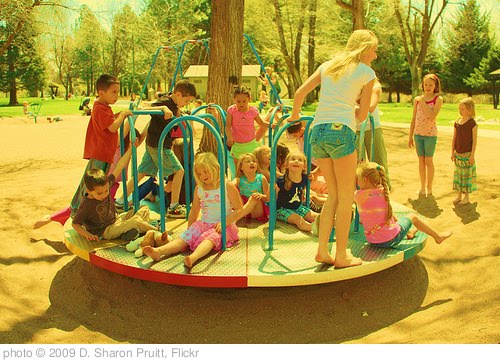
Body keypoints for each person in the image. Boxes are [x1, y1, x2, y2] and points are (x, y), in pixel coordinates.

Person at [289, 29, 378, 268]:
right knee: (346, 195)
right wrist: (357, 107)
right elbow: (362, 115)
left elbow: (299, 93)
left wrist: (295, 115)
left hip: (317, 132)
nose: (375, 55)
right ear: (364, 49)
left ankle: (322, 251)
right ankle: (341, 255)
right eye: (374, 50)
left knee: (333, 197)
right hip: (341, 131)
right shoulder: (366, 73)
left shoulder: (328, 66)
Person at [142, 153, 244, 268]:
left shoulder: (227, 186)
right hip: (204, 223)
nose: (203, 176)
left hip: (224, 225)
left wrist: (225, 221)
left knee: (210, 239)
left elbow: (239, 209)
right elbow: (194, 211)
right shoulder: (199, 189)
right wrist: (189, 230)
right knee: (184, 237)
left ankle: (193, 257)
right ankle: (158, 251)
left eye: (206, 171)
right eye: (199, 174)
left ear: (215, 168)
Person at [123, 79, 197, 218]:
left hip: (154, 143)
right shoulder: (165, 102)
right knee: (179, 171)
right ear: (179, 94)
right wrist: (161, 109)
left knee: (142, 172)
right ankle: (174, 206)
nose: (186, 104)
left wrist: (179, 113)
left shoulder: (173, 102)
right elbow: (145, 108)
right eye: (186, 101)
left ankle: (121, 200)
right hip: (160, 145)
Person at [354, 162, 452, 247]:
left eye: (358, 178)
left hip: (373, 241)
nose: (357, 181)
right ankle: (437, 236)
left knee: (384, 214)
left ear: (365, 179)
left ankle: (409, 232)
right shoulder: (383, 191)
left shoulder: (358, 196)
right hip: (390, 239)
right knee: (412, 217)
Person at [72, 147, 158, 242]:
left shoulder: (105, 183)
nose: (104, 194)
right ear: (89, 191)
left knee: (143, 208)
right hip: (105, 231)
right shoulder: (86, 204)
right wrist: (87, 235)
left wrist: (131, 148)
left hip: (116, 220)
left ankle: (131, 231)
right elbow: (75, 223)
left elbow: (119, 166)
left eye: (107, 190)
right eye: (100, 193)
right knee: (136, 221)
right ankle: (156, 231)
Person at [408, 73, 443, 197]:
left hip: (430, 135)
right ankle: (422, 187)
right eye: (426, 84)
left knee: (429, 160)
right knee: (421, 161)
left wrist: (422, 101)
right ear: (422, 85)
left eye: (430, 84)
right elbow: (413, 119)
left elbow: (432, 116)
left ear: (435, 86)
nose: (428, 87)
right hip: (418, 134)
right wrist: (410, 136)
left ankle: (429, 188)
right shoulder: (416, 100)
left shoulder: (438, 99)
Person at [356, 78, 391, 189]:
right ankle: (360, 193)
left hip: (372, 127)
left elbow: (370, 107)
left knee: (378, 161)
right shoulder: (351, 84)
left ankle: (384, 190)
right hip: (354, 128)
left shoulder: (374, 85)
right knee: (357, 164)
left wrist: (357, 106)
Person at [276, 151, 319, 233]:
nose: (296, 161)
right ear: (287, 165)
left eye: (300, 160)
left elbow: (303, 188)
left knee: (315, 216)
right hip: (282, 209)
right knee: (298, 219)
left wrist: (311, 178)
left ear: (304, 166)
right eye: (293, 159)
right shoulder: (281, 181)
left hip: (298, 207)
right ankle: (316, 228)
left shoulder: (305, 178)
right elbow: (273, 199)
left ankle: (335, 223)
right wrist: (275, 191)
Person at [226, 86, 268, 171]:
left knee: (253, 168)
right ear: (234, 99)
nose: (241, 104)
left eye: (244, 101)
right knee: (238, 169)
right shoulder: (232, 110)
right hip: (238, 144)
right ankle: (239, 183)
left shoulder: (252, 111)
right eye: (238, 101)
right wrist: (229, 137)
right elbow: (228, 126)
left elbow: (261, 123)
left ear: (249, 99)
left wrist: (271, 125)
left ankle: (254, 183)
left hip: (251, 144)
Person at [451, 97, 478, 205]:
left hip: (467, 154)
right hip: (458, 154)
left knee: (466, 176)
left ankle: (466, 197)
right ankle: (459, 195)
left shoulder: (472, 124)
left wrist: (472, 155)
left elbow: (475, 141)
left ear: (469, 110)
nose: (460, 111)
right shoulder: (457, 122)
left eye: (463, 109)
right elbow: (454, 138)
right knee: (459, 176)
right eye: (460, 109)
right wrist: (452, 152)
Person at [232, 153, 270, 220]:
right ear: (241, 167)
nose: (252, 163)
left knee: (255, 198)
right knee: (237, 197)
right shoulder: (238, 179)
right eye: (248, 161)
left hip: (257, 209)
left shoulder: (261, 178)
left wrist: (261, 196)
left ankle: (235, 218)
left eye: (254, 161)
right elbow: (229, 186)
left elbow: (268, 198)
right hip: (244, 207)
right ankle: (236, 216)